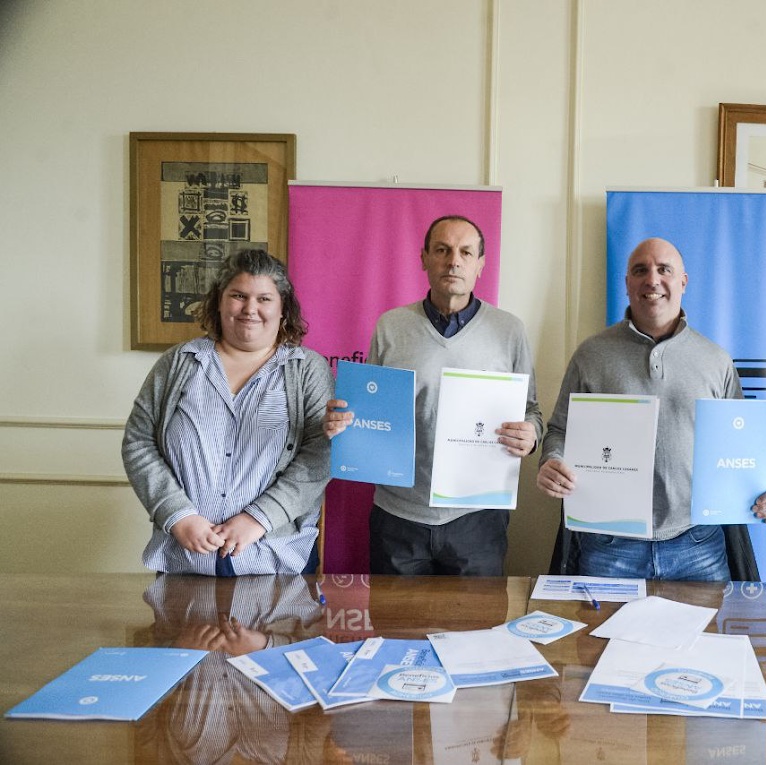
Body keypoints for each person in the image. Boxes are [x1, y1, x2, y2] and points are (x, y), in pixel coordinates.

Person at [537, 237, 766, 581]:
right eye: (640, 270)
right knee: (602, 622)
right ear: (627, 283)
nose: (652, 279)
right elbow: (560, 430)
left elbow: (740, 446)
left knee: (708, 621)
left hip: (698, 545)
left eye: (664, 270)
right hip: (609, 545)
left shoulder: (716, 360)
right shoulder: (591, 355)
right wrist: (551, 460)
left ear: (683, 282)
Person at [323, 215, 543, 576]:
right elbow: (371, 409)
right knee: (396, 614)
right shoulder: (391, 326)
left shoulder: (509, 330)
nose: (453, 261)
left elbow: (531, 411)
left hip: (477, 516)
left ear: (480, 265)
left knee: (474, 615)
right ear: (424, 258)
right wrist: (345, 420)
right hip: (398, 515)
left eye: (465, 252)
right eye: (442, 250)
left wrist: (531, 436)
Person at [122, 249, 333, 576]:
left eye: (264, 299)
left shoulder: (307, 370)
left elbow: (321, 453)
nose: (250, 308)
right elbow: (138, 442)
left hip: (275, 561)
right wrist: (178, 515)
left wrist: (259, 518)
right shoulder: (179, 362)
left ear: (283, 309)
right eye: (238, 296)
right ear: (219, 302)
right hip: (185, 559)